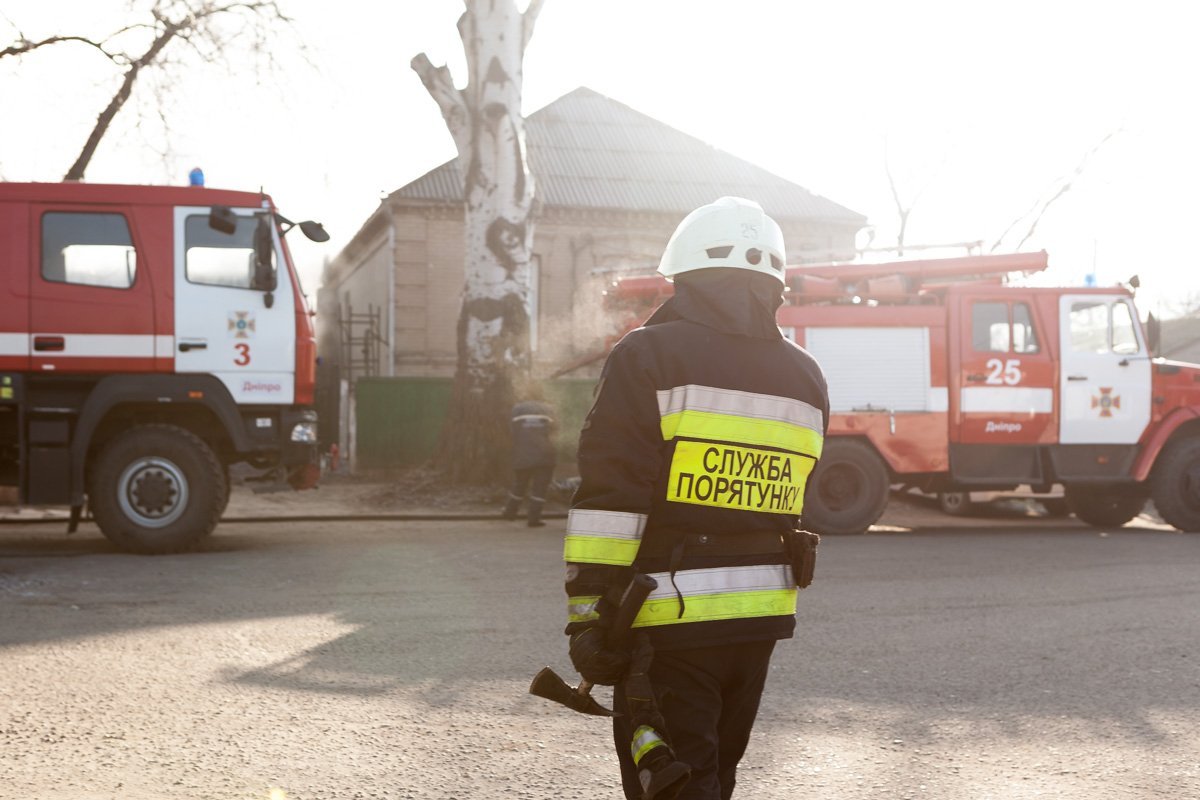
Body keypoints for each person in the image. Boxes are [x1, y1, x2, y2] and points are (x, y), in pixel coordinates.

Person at [561, 197, 829, 799]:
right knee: (712, 780)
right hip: (758, 621)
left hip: (668, 620)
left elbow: (612, 496)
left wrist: (588, 618)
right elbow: (794, 491)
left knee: (676, 786)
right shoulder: (806, 374)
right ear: (774, 285)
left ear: (682, 277)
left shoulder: (648, 356)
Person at [502, 386, 558, 527]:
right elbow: (555, 431)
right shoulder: (548, 409)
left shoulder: (517, 409)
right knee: (539, 488)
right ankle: (533, 519)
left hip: (522, 454)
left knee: (519, 484)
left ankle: (510, 512)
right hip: (544, 456)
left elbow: (511, 431)